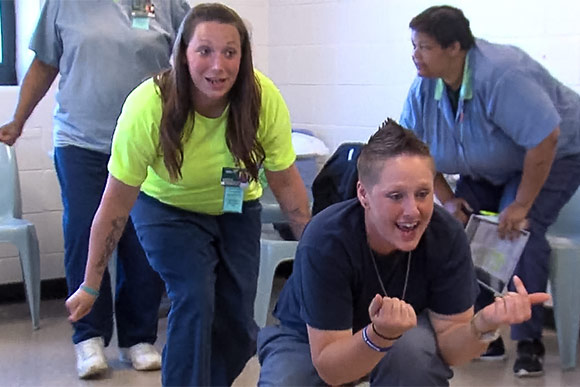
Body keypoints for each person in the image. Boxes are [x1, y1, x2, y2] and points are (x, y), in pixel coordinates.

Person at [64, 3, 311, 386]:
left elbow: (288, 185)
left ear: (243, 57)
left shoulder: (262, 99)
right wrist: (91, 283)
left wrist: (313, 258)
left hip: (236, 207)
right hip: (166, 208)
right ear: (182, 54)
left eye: (230, 52)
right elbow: (114, 204)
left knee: (238, 322)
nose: (218, 66)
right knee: (195, 297)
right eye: (205, 51)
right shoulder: (148, 105)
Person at [257, 119, 549, 386]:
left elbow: (451, 348)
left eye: (422, 194)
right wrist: (378, 334)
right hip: (309, 339)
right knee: (288, 381)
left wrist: (485, 325)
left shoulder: (446, 234)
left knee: (414, 355)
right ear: (363, 195)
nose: (413, 211)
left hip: (399, 333)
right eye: (396, 196)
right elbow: (332, 370)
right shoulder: (326, 238)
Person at [0, 0, 190, 379]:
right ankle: (88, 337)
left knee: (143, 238)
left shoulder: (169, 4)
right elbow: (45, 63)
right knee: (85, 233)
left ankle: (139, 337)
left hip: (148, 142)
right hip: (81, 142)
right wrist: (18, 120)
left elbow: (194, 60)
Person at [400, 5, 580, 377]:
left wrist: (521, 203)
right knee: (459, 231)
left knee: (518, 232)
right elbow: (411, 148)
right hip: (488, 165)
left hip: (553, 153)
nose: (415, 56)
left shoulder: (502, 75)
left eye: (424, 47)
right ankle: (482, 330)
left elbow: (545, 138)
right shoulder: (425, 86)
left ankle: (528, 341)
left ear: (454, 48)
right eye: (414, 46)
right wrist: (448, 200)